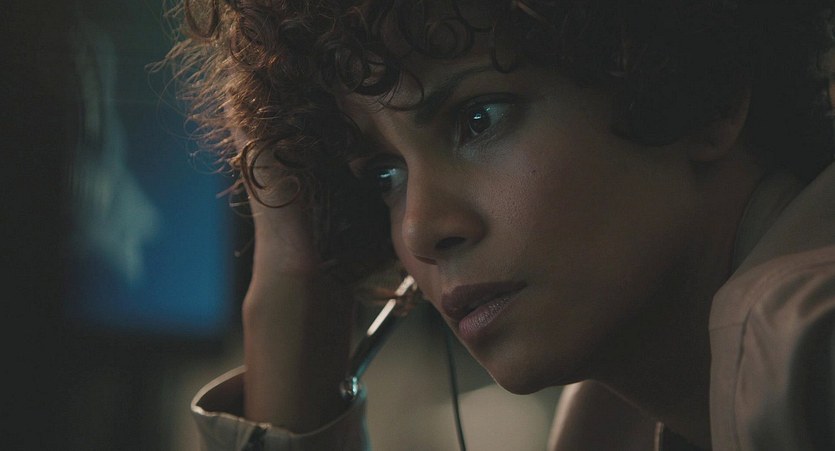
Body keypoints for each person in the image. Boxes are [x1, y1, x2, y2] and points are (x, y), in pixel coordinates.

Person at [167, 0, 835, 449]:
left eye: (478, 119)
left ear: (700, 90)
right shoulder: (615, 407)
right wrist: (295, 276)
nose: (420, 229)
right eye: (384, 175)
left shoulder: (803, 337)